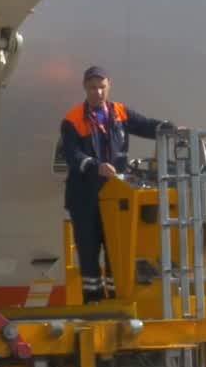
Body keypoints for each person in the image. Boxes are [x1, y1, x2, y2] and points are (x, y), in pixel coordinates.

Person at [60, 65, 169, 303]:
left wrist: (168, 129)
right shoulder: (73, 120)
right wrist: (95, 166)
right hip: (85, 196)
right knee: (89, 251)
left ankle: (116, 297)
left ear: (109, 86)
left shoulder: (120, 113)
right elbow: (71, 154)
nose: (98, 92)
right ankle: (93, 300)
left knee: (116, 248)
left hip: (116, 194)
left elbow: (146, 125)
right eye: (92, 88)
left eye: (101, 87)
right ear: (85, 88)